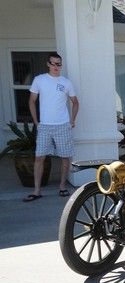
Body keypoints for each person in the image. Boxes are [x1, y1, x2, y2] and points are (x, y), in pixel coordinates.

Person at [24, 52, 79, 202]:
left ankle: (62, 187)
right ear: (48, 64)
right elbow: (31, 101)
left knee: (65, 158)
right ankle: (37, 190)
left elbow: (75, 102)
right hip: (45, 127)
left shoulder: (66, 82)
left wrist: (72, 120)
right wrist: (36, 122)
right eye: (53, 63)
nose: (56, 66)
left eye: (58, 64)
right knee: (39, 157)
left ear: (61, 65)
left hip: (62, 126)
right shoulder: (39, 80)